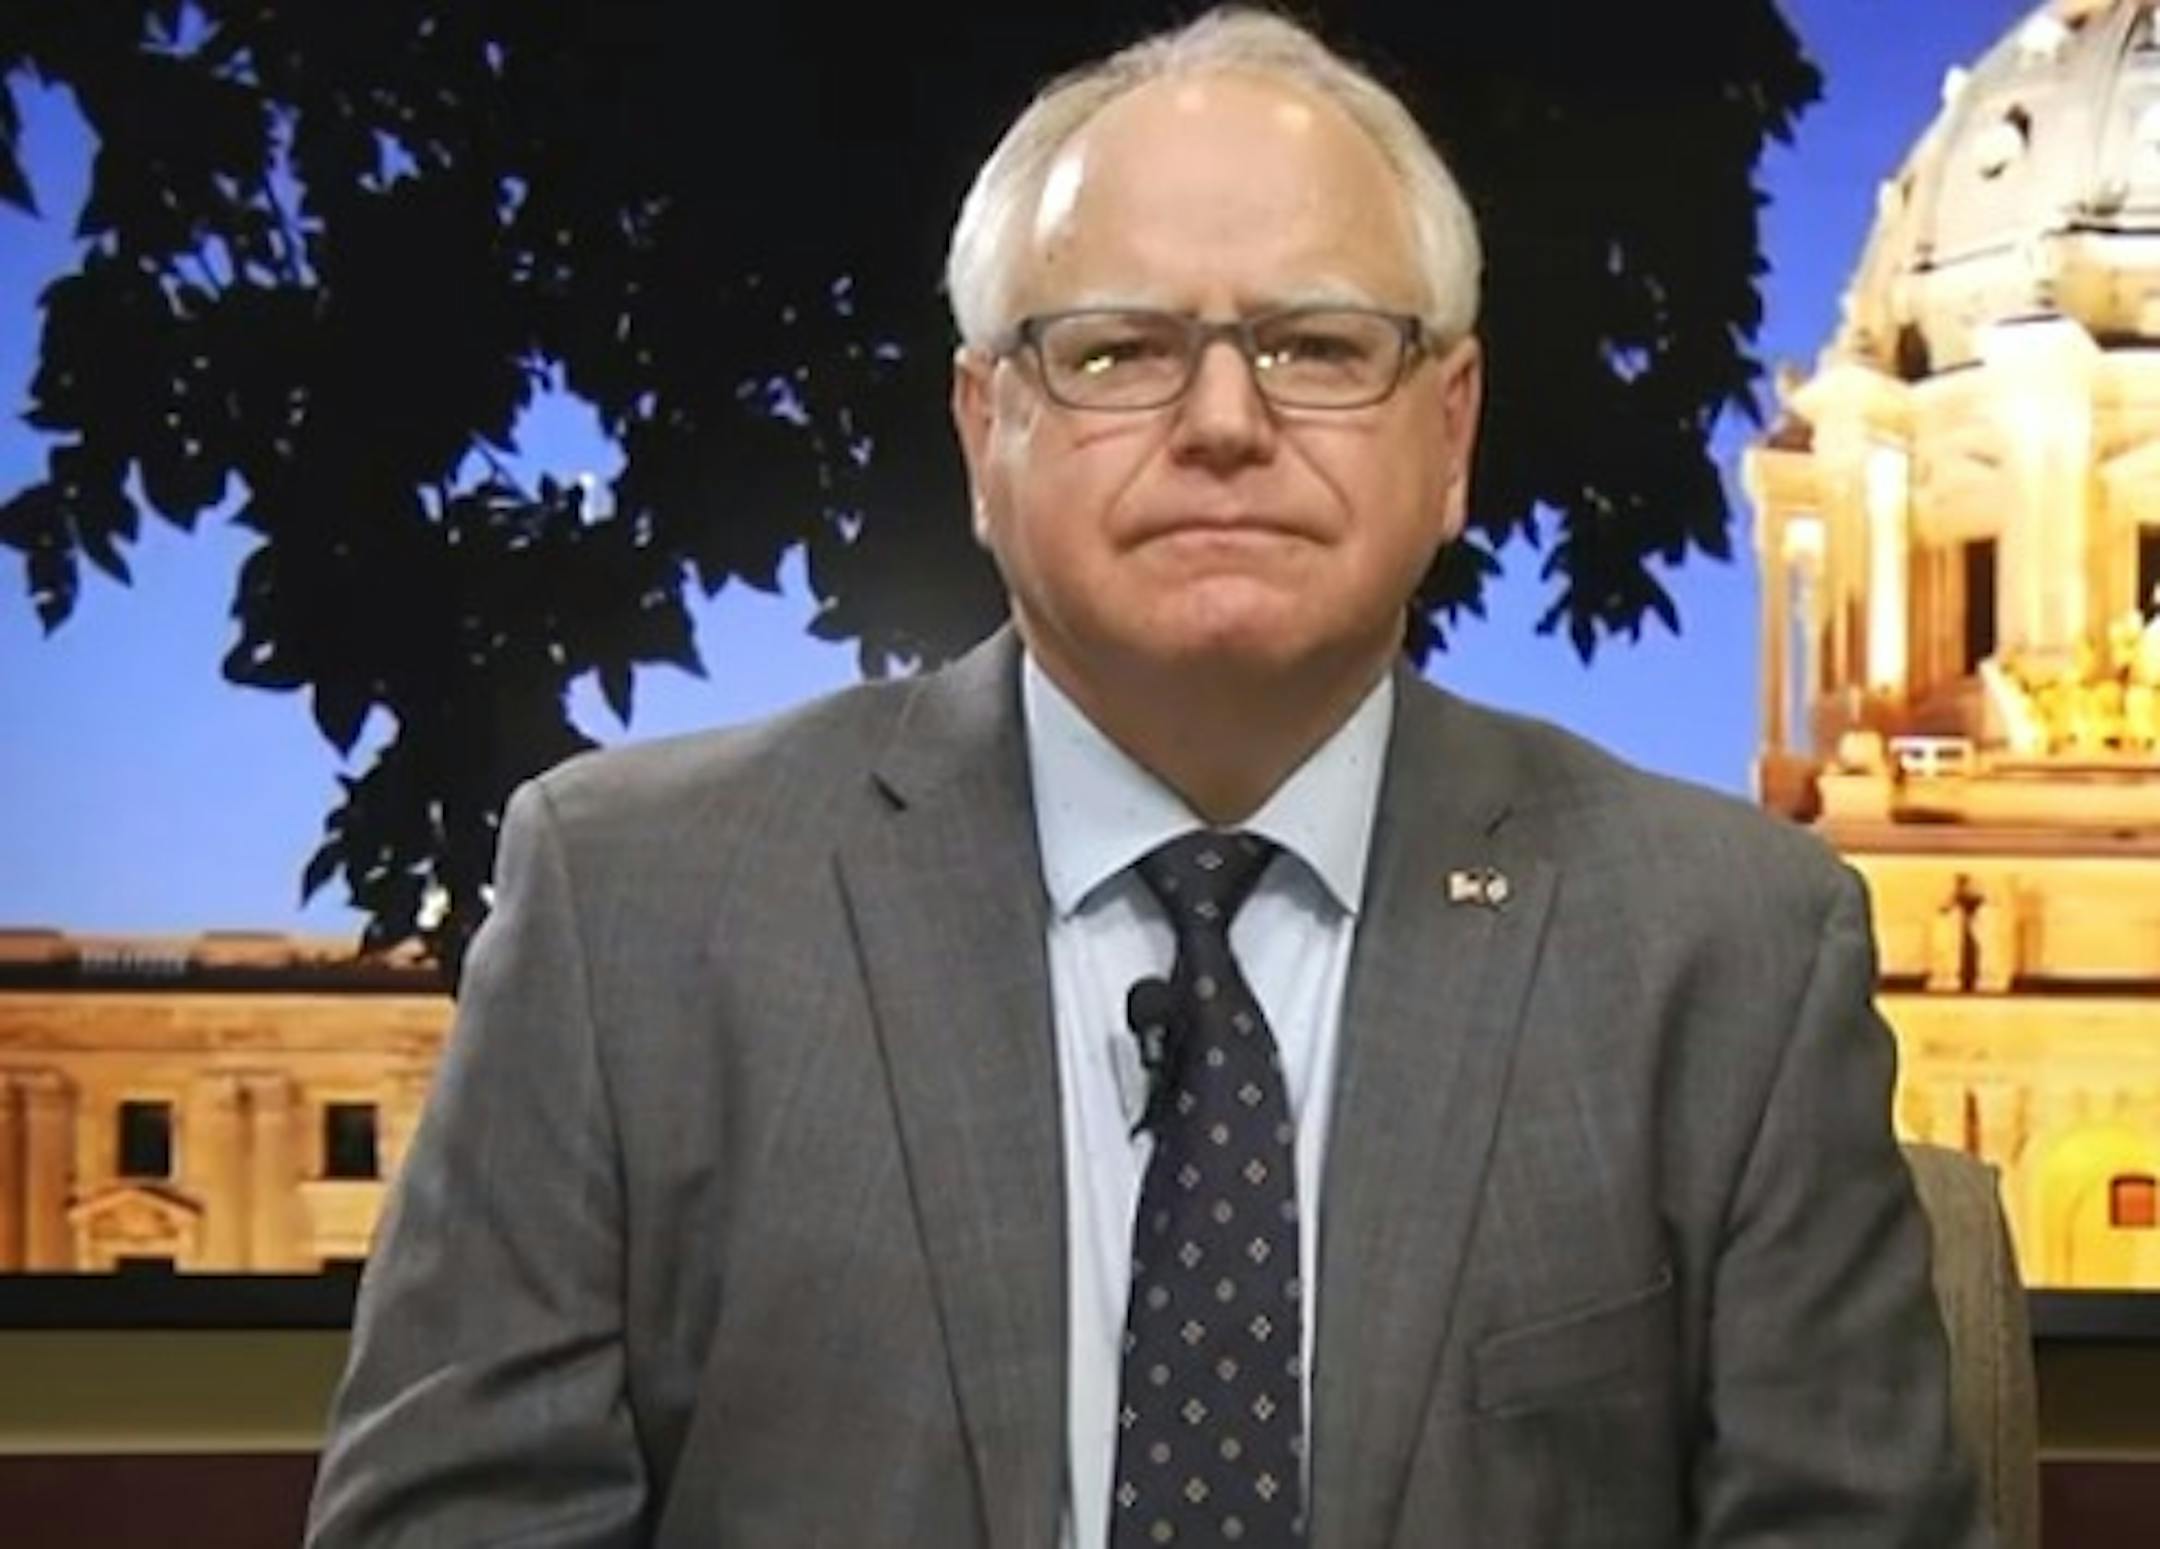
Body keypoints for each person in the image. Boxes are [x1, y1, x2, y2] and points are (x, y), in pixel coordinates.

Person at [305, 8, 1992, 1546]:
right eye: (1115, 351)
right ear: (985, 431)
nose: (1225, 421)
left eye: (1321, 345)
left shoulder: (1730, 952)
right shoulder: (633, 910)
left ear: (1453, 429)